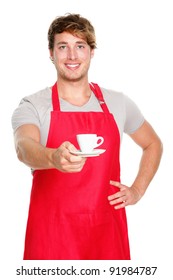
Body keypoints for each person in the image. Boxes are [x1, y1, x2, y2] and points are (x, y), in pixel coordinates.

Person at [11, 13, 163, 260]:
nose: (72, 56)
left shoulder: (117, 103)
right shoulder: (33, 105)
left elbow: (152, 143)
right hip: (52, 235)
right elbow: (24, 147)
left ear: (91, 52)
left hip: (106, 233)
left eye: (80, 46)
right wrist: (53, 158)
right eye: (63, 47)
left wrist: (137, 190)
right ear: (51, 53)